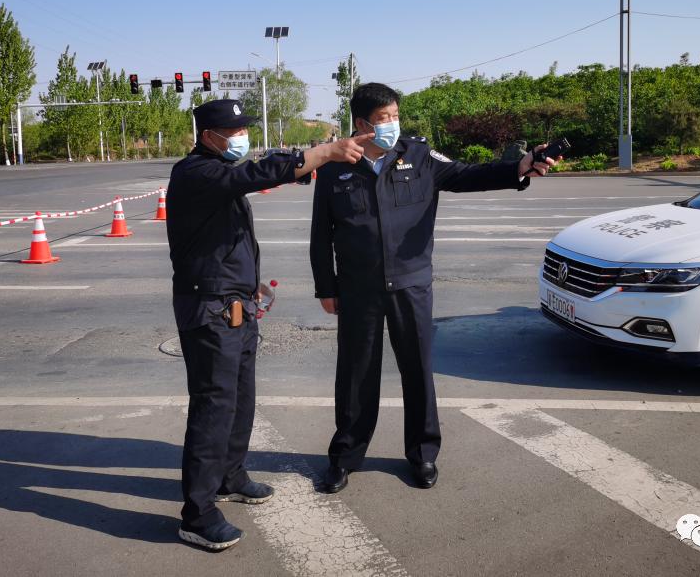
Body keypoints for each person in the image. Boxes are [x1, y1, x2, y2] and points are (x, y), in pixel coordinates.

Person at [309, 82, 556, 494]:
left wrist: (520, 166)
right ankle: (345, 456)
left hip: (411, 284)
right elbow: (322, 234)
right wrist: (326, 288)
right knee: (355, 375)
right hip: (358, 289)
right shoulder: (336, 166)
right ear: (361, 124)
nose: (392, 125)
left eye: (395, 116)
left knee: (418, 371)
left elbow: (467, 175)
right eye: (384, 118)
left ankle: (423, 454)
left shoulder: (419, 155)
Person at [166, 99, 373, 551]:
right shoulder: (196, 172)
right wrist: (322, 153)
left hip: (235, 304)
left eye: (243, 128)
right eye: (234, 130)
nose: (242, 137)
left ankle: (230, 475)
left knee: (241, 398)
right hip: (210, 311)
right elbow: (256, 174)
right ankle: (196, 514)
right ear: (209, 136)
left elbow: (221, 240)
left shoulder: (219, 172)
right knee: (213, 407)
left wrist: (250, 284)